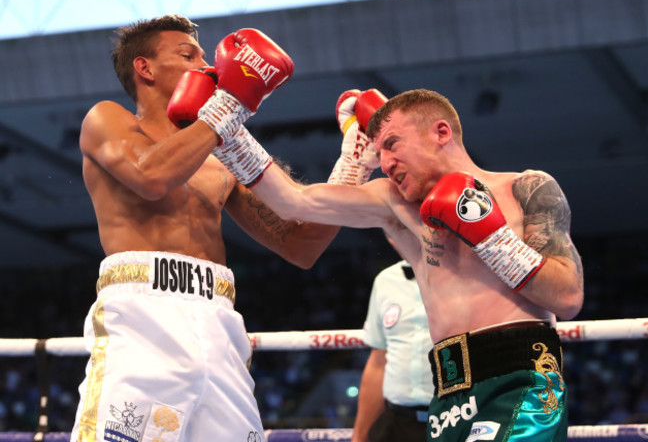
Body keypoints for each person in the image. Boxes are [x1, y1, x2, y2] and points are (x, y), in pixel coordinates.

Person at [209, 88, 584, 441]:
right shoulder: (397, 204)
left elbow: (567, 296)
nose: (385, 163)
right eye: (379, 153)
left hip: (522, 377)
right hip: (449, 393)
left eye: (392, 145)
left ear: (440, 132)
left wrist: (487, 234)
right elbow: (293, 202)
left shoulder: (526, 188)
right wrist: (224, 124)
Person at [72, 15, 363, 442]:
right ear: (144, 68)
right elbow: (150, 177)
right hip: (144, 319)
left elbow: (301, 244)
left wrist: (353, 163)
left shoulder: (220, 152)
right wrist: (229, 105)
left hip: (219, 322)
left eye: (206, 56)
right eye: (187, 55)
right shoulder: (108, 121)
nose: (206, 66)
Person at [352, 243, 433, 442]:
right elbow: (379, 361)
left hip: (454, 419)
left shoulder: (467, 276)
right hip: (395, 423)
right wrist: (359, 435)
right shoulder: (386, 281)